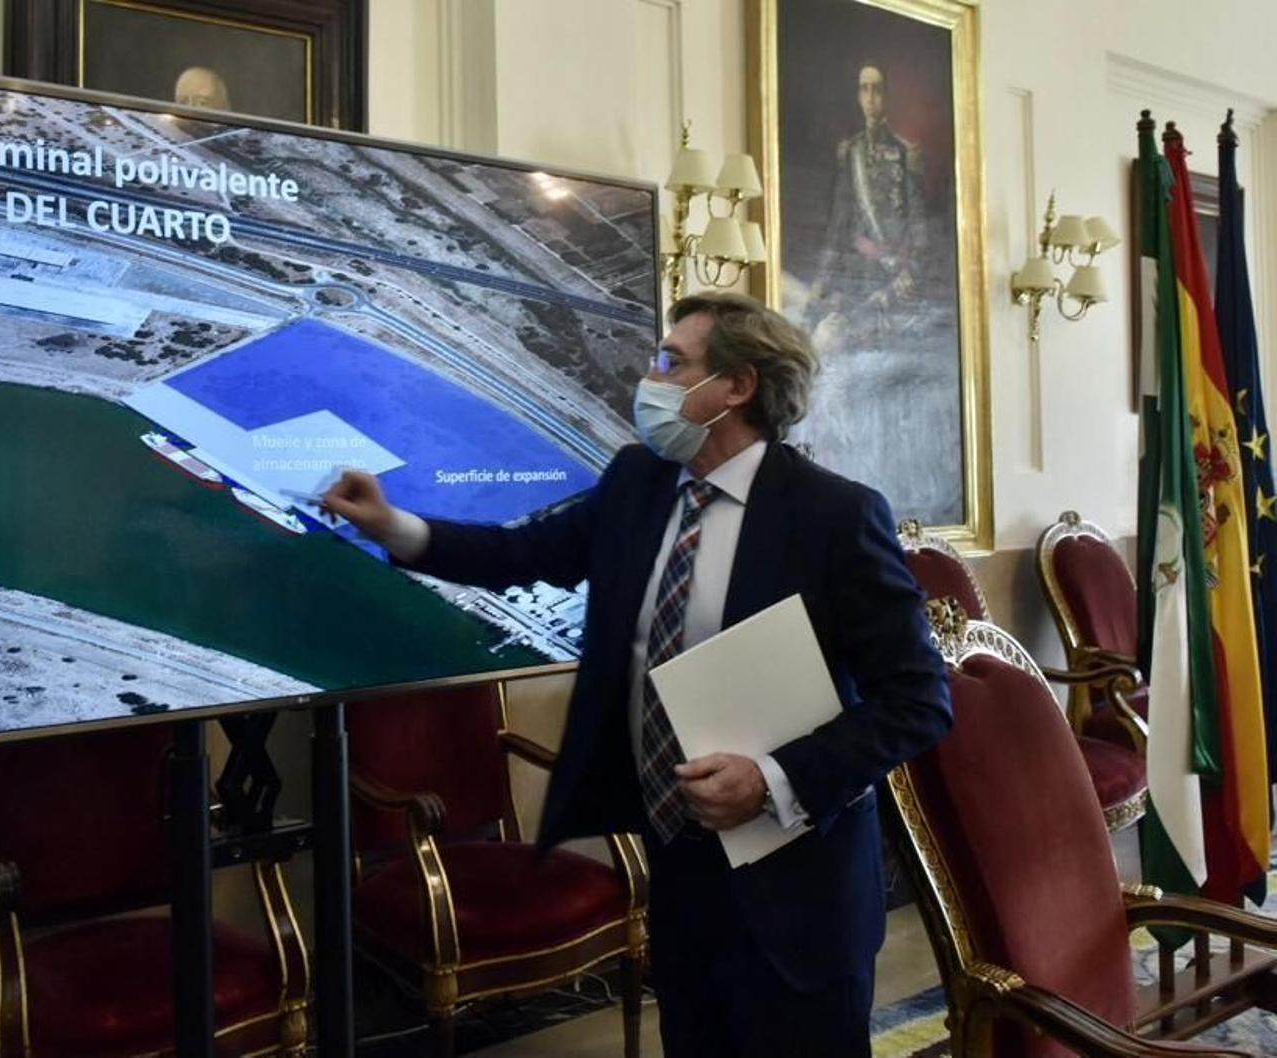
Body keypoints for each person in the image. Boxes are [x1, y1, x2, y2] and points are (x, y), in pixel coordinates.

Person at [321, 290, 950, 1055]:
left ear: (736, 386)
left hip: (797, 885)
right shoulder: (636, 483)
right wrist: (394, 526)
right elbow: (520, 555)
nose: (649, 378)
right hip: (677, 863)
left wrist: (774, 779)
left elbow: (918, 700)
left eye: (670, 362)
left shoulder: (835, 515)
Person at [806, 62, 929, 352]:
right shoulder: (850, 153)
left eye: (877, 89)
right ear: (858, 96)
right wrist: (822, 279)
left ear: (887, 97)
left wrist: (909, 273)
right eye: (864, 89)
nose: (870, 97)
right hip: (856, 275)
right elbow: (838, 222)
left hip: (895, 278)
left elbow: (919, 226)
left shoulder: (905, 153)